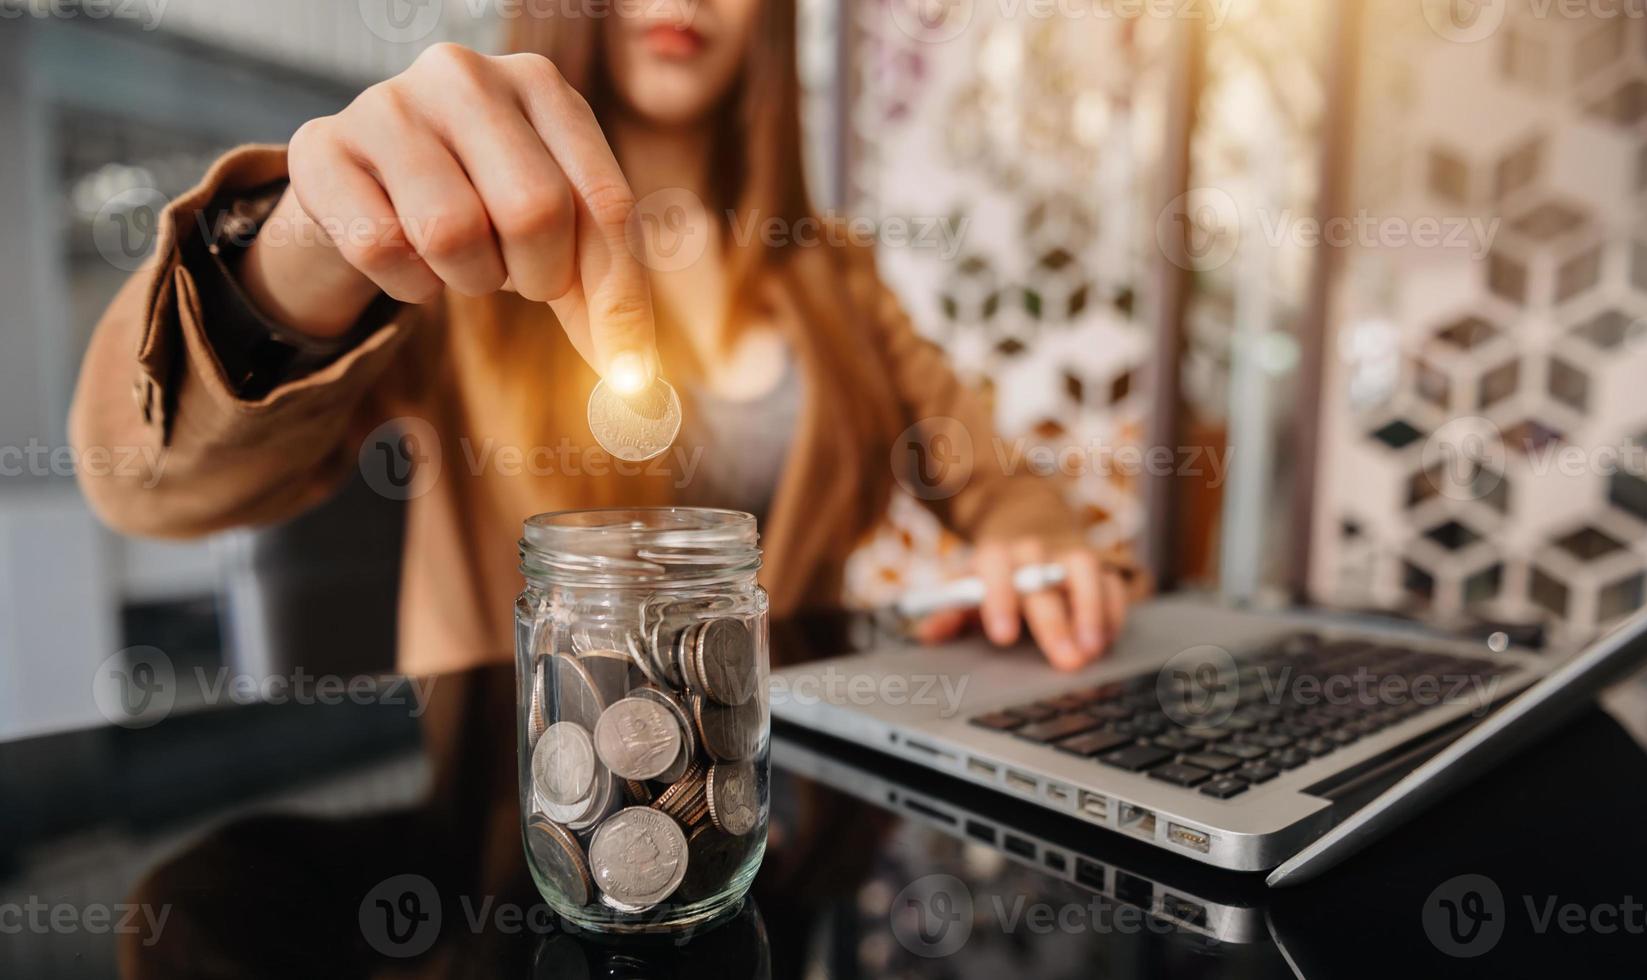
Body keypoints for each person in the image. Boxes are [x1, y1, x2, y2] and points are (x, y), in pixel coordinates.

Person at [69, 0, 1140, 676]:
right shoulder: (456, 244)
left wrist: (1033, 537)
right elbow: (146, 488)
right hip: (526, 816)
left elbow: (987, 472)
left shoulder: (832, 272)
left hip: (788, 798)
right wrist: (302, 247)